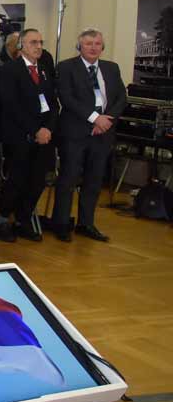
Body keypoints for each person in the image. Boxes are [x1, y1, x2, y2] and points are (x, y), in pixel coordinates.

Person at [52, 28, 126, 243]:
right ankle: (61, 223)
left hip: (103, 132)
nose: (93, 48)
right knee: (68, 178)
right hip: (75, 132)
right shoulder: (66, 67)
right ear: (80, 47)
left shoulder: (111, 68)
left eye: (97, 44)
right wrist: (95, 118)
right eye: (88, 44)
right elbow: (66, 98)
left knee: (94, 181)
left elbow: (121, 97)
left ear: (102, 47)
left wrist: (106, 120)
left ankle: (86, 223)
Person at [0, 29, 55, 243]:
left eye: (40, 42)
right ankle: (2, 219)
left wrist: (47, 128)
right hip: (19, 135)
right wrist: (34, 130)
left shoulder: (45, 70)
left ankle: (23, 219)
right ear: (21, 46)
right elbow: (11, 104)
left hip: (43, 137)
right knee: (17, 179)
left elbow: (52, 103)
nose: (38, 46)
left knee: (37, 181)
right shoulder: (11, 70)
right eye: (33, 42)